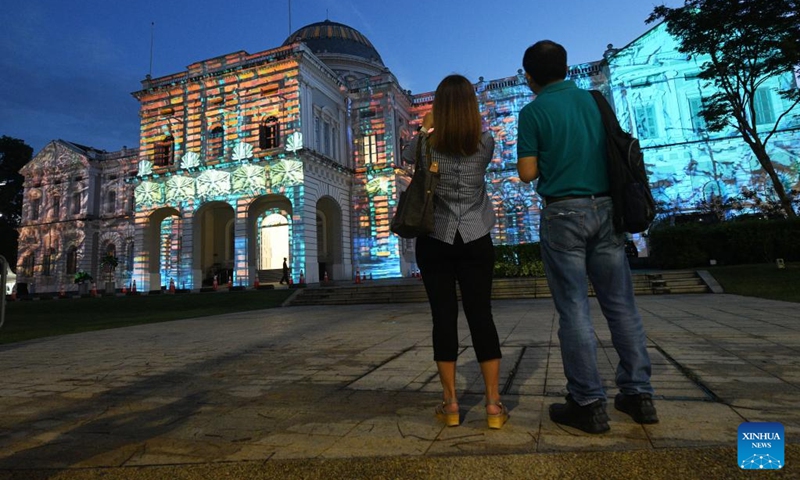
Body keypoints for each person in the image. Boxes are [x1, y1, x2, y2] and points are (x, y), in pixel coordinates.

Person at [516, 40, 658, 434]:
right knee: (621, 305)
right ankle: (638, 394)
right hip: (606, 210)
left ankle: (587, 400)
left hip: (563, 212)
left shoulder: (533, 112)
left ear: (529, 76)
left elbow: (527, 173)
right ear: (566, 68)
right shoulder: (596, 102)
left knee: (574, 309)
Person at [402, 74, 507, 429]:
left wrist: (423, 128)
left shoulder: (426, 147)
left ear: (440, 108)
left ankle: (450, 404)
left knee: (443, 319)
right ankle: (493, 405)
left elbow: (406, 157)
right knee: (482, 317)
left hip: (435, 240)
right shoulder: (487, 142)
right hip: (477, 238)